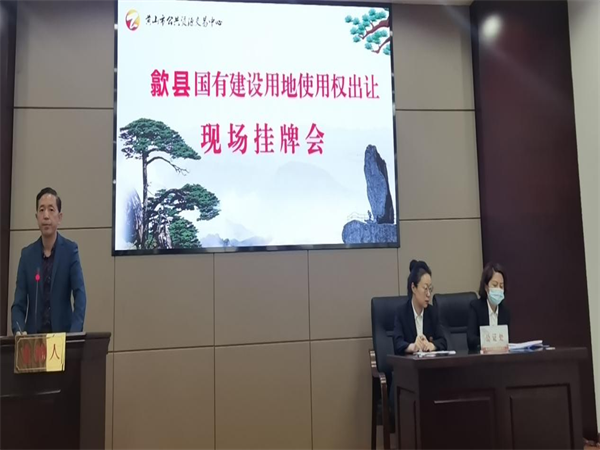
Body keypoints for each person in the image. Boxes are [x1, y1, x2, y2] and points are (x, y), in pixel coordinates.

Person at [11, 187, 87, 335]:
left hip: (63, 339)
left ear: (60, 217)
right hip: (33, 341)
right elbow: (19, 304)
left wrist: (73, 335)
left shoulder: (70, 251)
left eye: (51, 210)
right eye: (42, 210)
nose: (46, 216)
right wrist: (19, 331)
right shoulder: (27, 256)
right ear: (36, 217)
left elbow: (80, 296)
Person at [393, 260, 447, 354]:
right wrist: (413, 347)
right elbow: (397, 344)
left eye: (430, 289)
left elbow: (443, 341)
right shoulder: (402, 313)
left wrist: (431, 345)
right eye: (425, 288)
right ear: (413, 287)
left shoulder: (432, 312)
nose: (428, 294)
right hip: (410, 363)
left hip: (429, 362)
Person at [467, 262, 510, 351]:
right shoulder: (476, 307)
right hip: (481, 357)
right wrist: (490, 343)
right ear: (486, 287)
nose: (498, 289)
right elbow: (471, 339)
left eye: (501, 286)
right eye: (495, 285)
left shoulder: (505, 312)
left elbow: (507, 340)